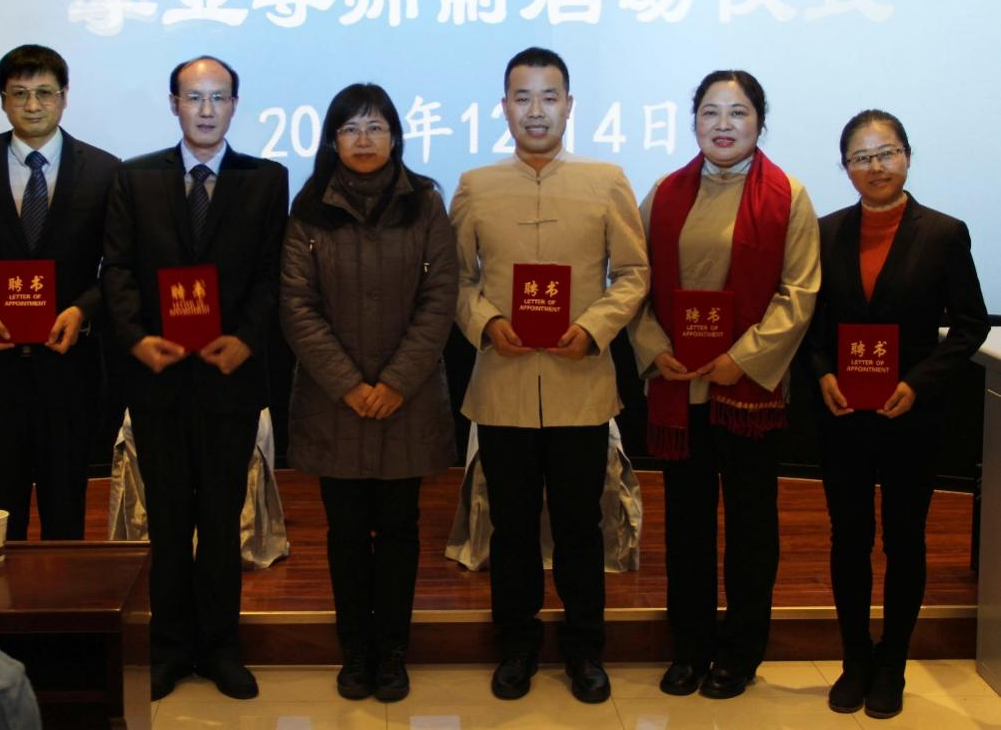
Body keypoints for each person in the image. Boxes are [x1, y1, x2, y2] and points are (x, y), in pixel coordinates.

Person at [451, 47, 649, 704]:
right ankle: (516, 647)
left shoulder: (607, 180)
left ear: (568, 105)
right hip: (502, 384)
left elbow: (635, 273)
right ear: (504, 107)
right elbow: (456, 279)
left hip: (580, 385)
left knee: (579, 527)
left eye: (549, 96)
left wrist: (594, 326)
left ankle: (585, 650)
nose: (535, 110)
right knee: (510, 529)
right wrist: (485, 321)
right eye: (522, 97)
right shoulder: (475, 185)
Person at [628, 70, 820, 699]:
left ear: (760, 122)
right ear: (694, 122)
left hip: (747, 393)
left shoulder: (788, 196)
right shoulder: (663, 192)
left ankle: (739, 653)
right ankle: (688, 647)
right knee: (685, 526)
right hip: (680, 387)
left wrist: (743, 359)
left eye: (738, 113)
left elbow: (799, 293)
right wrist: (656, 350)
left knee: (750, 527)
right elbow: (633, 281)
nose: (723, 125)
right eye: (710, 112)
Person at [102, 55, 288, 701]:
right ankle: (169, 647)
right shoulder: (135, 176)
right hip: (158, 377)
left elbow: (272, 273)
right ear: (173, 103)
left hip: (229, 377)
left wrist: (247, 340)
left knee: (220, 515)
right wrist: (135, 339)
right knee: (168, 519)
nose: (206, 109)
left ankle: (221, 648)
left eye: (218, 97)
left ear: (234, 104)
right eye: (194, 97)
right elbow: (117, 270)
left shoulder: (265, 179)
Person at [802, 110, 987, 719]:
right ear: (845, 168)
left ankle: (893, 664)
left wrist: (918, 383)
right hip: (842, 412)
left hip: (912, 413)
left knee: (905, 538)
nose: (875, 167)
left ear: (907, 156)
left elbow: (970, 326)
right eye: (861, 157)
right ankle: (855, 658)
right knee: (848, 537)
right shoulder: (824, 232)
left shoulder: (944, 233)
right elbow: (810, 325)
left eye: (886, 153)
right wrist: (823, 373)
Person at [280, 83, 458, 703]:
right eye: (351, 128)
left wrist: (395, 382)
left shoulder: (425, 203)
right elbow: (297, 305)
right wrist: (350, 385)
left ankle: (393, 652)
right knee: (347, 533)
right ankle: (356, 650)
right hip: (334, 404)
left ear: (395, 137)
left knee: (401, 530)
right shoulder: (308, 208)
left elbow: (440, 300)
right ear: (332, 140)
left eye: (376, 127)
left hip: (408, 402)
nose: (364, 139)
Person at [0, 44, 119, 541]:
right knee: (1, 505)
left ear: (64, 97)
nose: (32, 105)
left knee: (66, 507)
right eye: (19, 94)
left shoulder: (105, 170)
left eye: (44, 93)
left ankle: (66, 589)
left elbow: (119, 267)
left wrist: (83, 310)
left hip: (70, 364)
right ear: (2, 99)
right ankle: (2, 588)